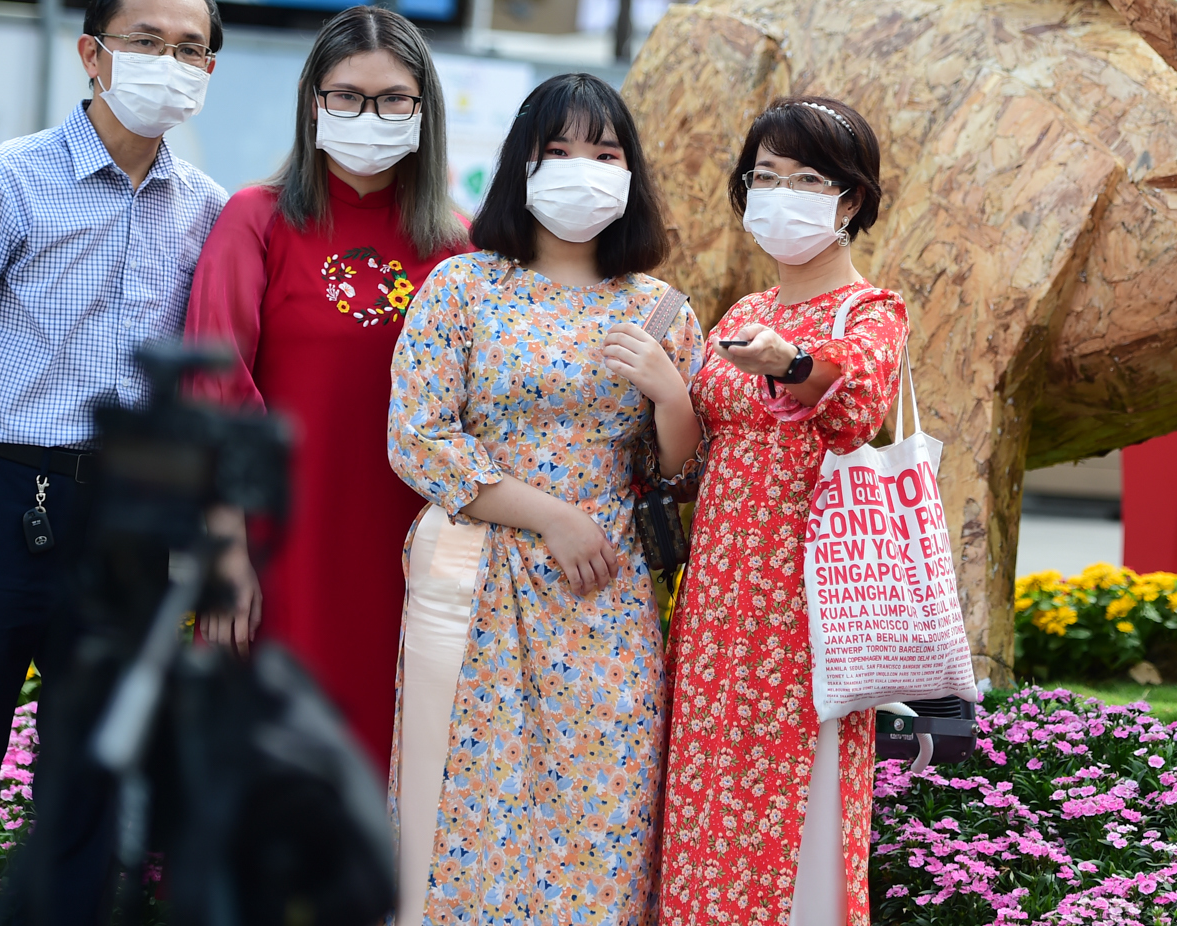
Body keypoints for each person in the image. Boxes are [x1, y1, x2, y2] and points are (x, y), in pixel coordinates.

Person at [0, 0, 230, 924]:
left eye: (191, 48)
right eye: (147, 42)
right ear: (92, 53)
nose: (171, 63)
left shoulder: (204, 210)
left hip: (126, 523)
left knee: (90, 795)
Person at [387, 73, 704, 926]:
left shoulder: (661, 311)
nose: (581, 170)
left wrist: (671, 397)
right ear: (520, 168)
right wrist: (550, 514)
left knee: (607, 810)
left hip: (606, 597)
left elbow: (680, 478)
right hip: (476, 576)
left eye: (603, 154)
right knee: (463, 806)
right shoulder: (462, 288)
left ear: (631, 174)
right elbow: (418, 436)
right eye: (557, 152)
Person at [182, 5, 469, 771]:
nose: (368, 116)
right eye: (346, 96)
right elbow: (214, 390)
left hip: (413, 546)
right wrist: (223, 551)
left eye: (392, 99)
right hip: (282, 541)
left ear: (423, 110)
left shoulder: (457, 246)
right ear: (313, 101)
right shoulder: (257, 220)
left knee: (397, 754)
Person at [658, 97, 909, 926]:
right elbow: (691, 454)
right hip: (717, 603)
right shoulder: (744, 313)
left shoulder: (869, 313)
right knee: (708, 797)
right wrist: (664, 387)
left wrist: (794, 363)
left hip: (808, 608)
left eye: (807, 178)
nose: (780, 194)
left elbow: (854, 399)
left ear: (852, 202)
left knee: (796, 801)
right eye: (764, 177)